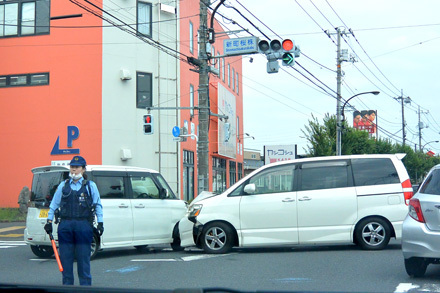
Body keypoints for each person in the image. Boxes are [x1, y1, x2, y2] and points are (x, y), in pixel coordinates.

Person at [44, 155, 103, 286]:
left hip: (83, 226)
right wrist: (48, 221)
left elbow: (98, 205)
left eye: (77, 168)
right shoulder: (63, 186)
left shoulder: (90, 186)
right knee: (66, 260)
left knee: (83, 260)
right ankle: (67, 287)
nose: (74, 170)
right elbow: (54, 204)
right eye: (72, 167)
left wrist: (100, 222)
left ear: (83, 169)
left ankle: (85, 288)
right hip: (65, 226)